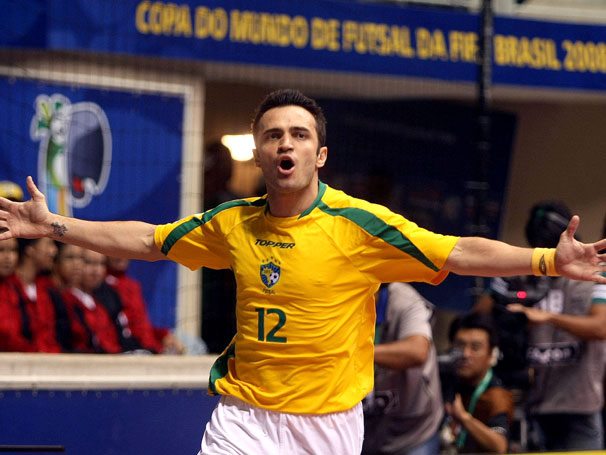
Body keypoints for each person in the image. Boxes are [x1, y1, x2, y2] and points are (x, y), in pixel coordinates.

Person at [0, 89, 604, 454]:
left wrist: (551, 259)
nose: (284, 142)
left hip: (328, 425)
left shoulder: (359, 225)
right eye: (272, 134)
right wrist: (55, 226)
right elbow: (148, 241)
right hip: (244, 416)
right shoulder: (233, 222)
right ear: (261, 153)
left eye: (298, 134)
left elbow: (455, 252)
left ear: (319, 155)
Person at [492, 201, 606, 451]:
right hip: (533, 404)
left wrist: (549, 318)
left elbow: (601, 328)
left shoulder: (596, 274)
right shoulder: (527, 277)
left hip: (579, 406)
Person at [362, 282, 443, 455]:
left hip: (413, 431)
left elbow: (417, 351)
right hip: (368, 427)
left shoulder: (403, 299)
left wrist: (358, 352)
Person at [442, 312, 513, 454]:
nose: (466, 354)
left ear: (491, 353)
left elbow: (499, 446)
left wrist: (464, 419)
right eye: (460, 345)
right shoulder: (443, 380)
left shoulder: (496, 396)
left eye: (475, 347)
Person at [106, 256, 185, 354]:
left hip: (152, 347)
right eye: (114, 251)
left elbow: (141, 326)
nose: (120, 256)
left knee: (192, 344)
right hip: (134, 350)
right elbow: (123, 329)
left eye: (123, 251)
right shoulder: (104, 287)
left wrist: (163, 335)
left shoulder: (132, 285)